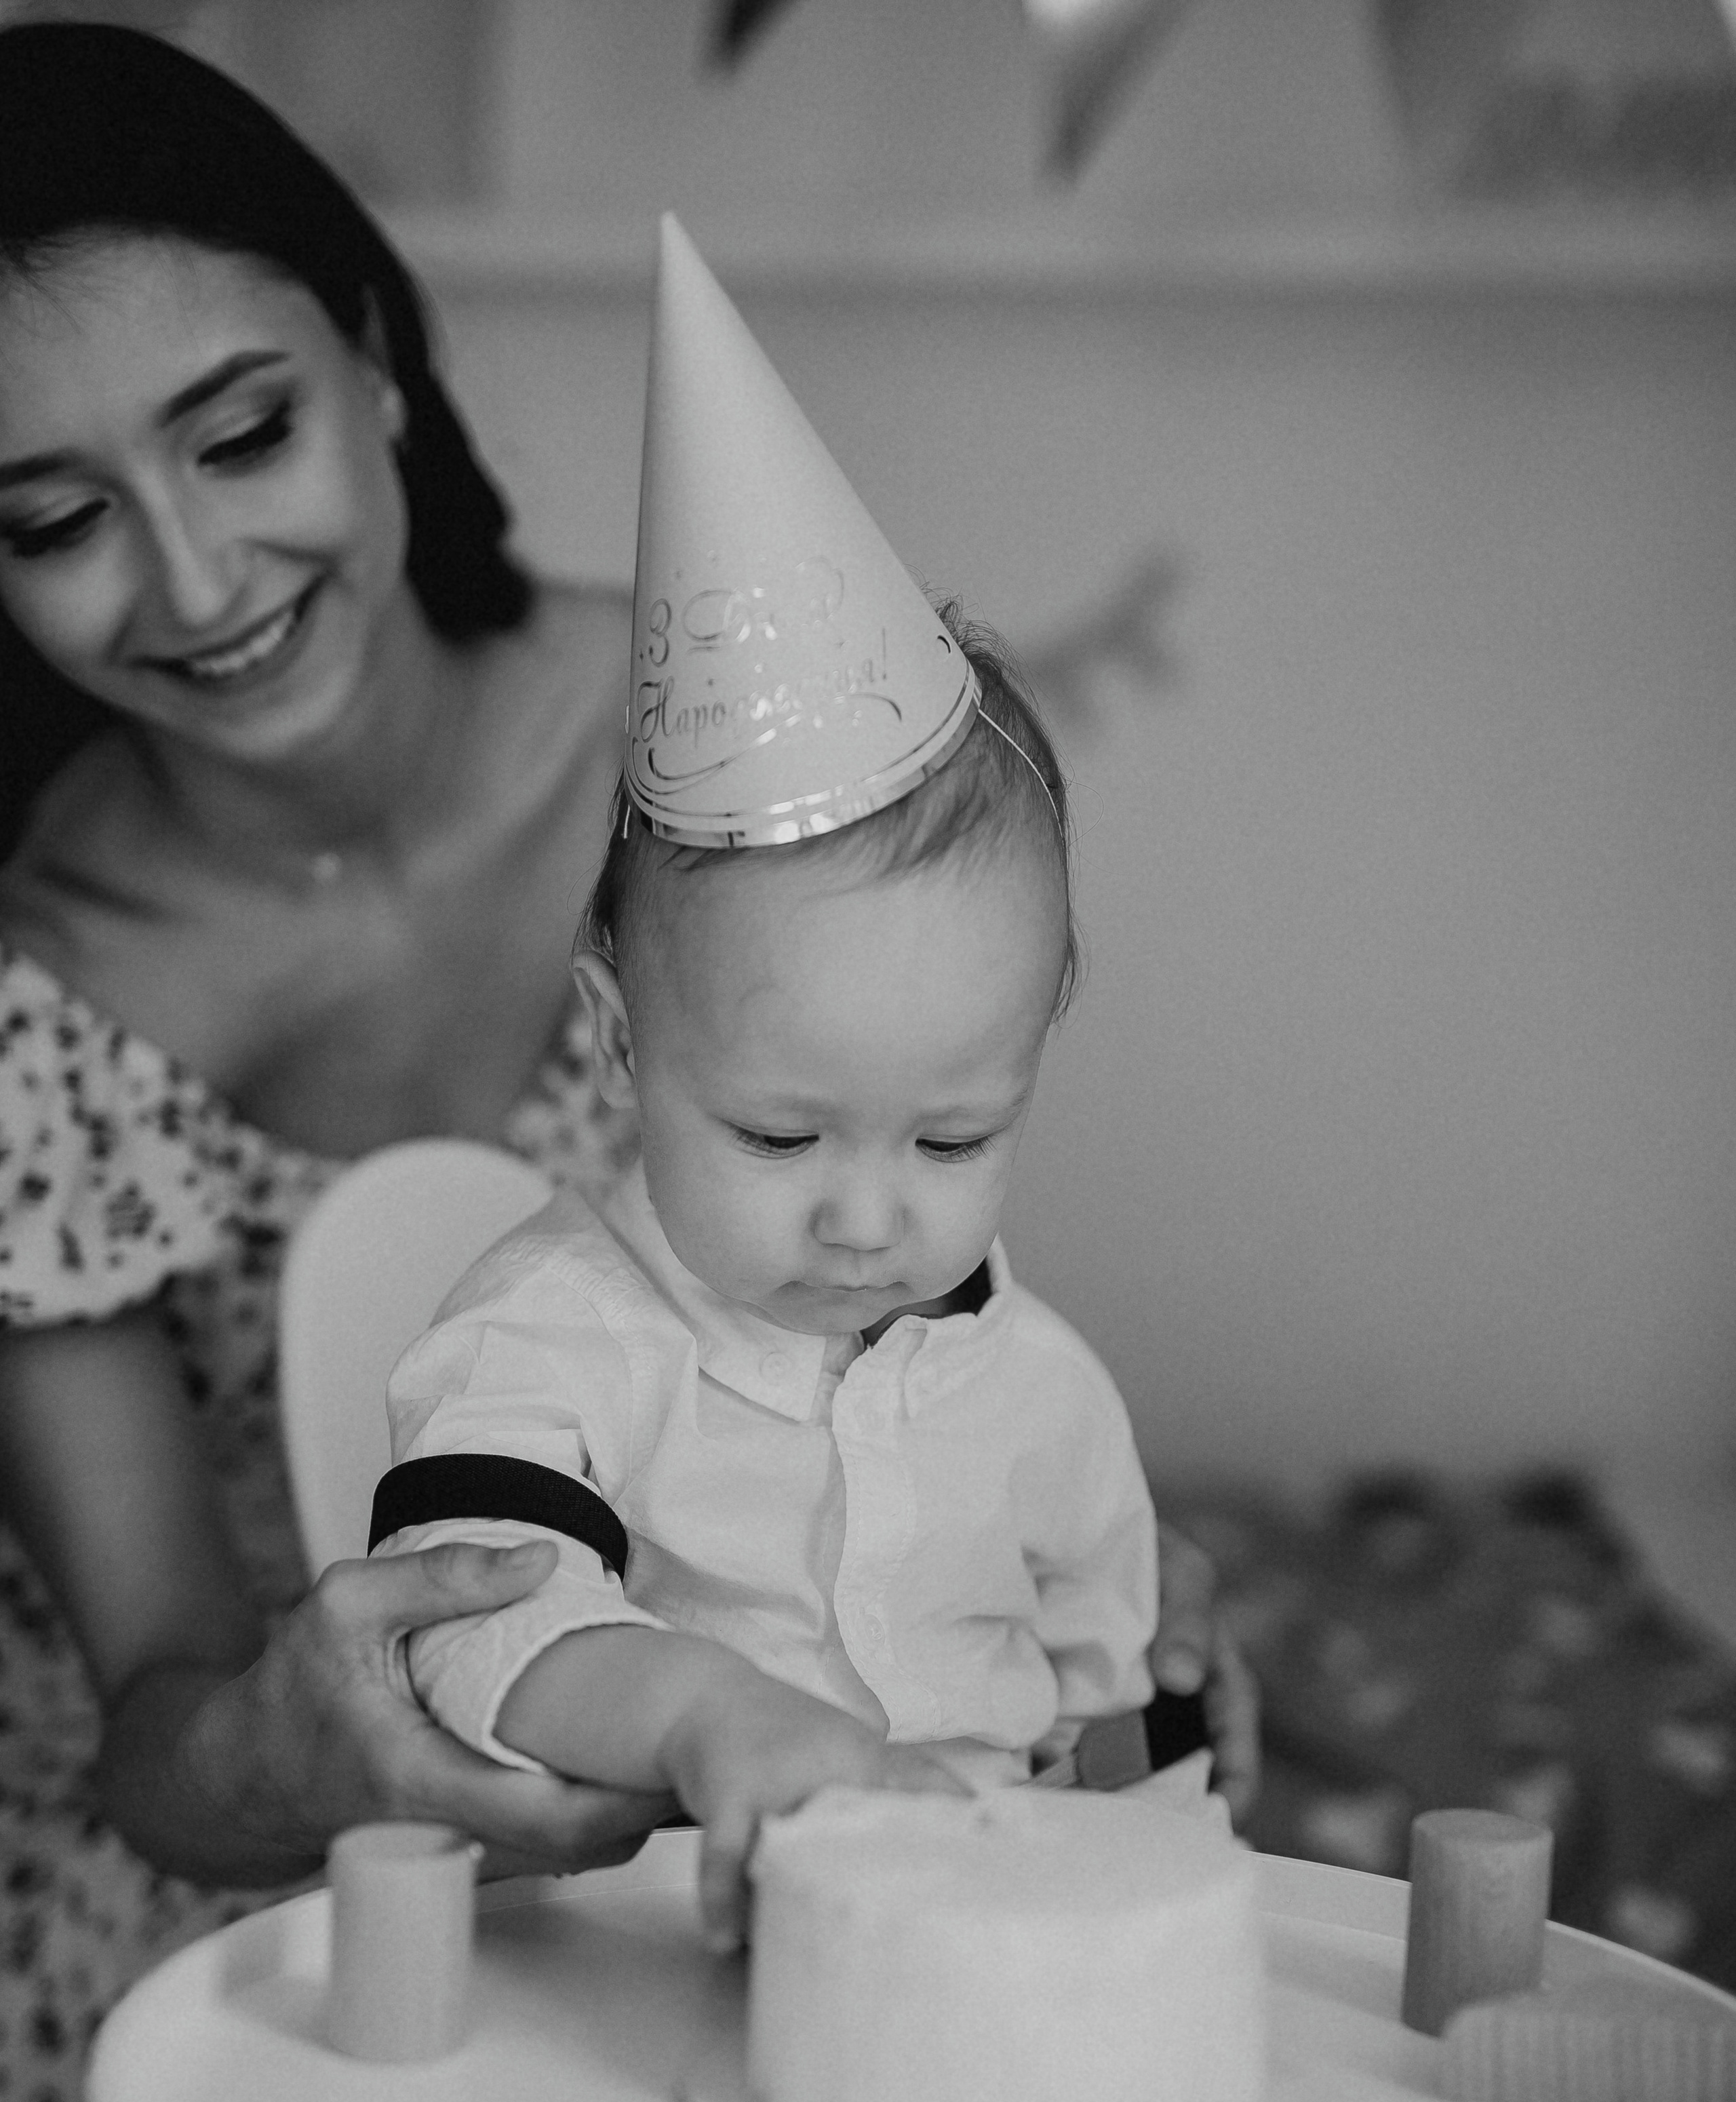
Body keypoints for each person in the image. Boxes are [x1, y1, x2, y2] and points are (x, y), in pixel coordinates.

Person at [0, 35, 1248, 2102]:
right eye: (50, 516)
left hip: (834, 1880)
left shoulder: (762, 796)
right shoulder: (38, 990)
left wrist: (1121, 1683)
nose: (197, 575)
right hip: (304, 1869)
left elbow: (1018, 1491)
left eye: (240, 433)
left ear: (373, 350)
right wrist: (352, 1734)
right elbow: (162, 1710)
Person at [378, 222, 1243, 1956]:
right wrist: (707, 1716)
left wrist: (1155, 1832)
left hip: (970, 1967)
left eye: (955, 1135)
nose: (866, 1215)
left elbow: (1117, 1686)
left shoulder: (1039, 1389)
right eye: (777, 1135)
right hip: (642, 1952)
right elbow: (471, 1615)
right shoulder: (551, 1335)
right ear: (622, 1040)